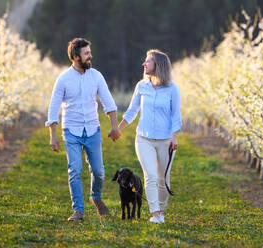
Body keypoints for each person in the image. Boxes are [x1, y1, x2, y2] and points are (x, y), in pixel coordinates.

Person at [46, 38, 121, 221]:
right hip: (71, 130)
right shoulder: (63, 79)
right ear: (75, 57)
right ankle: (78, 210)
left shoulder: (96, 76)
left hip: (93, 130)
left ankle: (95, 197)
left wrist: (114, 126)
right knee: (75, 169)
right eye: (86, 53)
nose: (90, 56)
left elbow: (108, 101)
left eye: (89, 52)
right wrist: (53, 136)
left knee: (99, 171)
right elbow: (53, 107)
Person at [118, 49, 182, 224]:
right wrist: (119, 128)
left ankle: (161, 211)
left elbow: (176, 116)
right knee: (151, 176)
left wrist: (174, 137)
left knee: (163, 178)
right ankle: (155, 213)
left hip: (165, 141)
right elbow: (132, 111)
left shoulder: (172, 89)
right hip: (143, 139)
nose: (144, 64)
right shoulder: (141, 86)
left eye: (148, 61)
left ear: (158, 65)